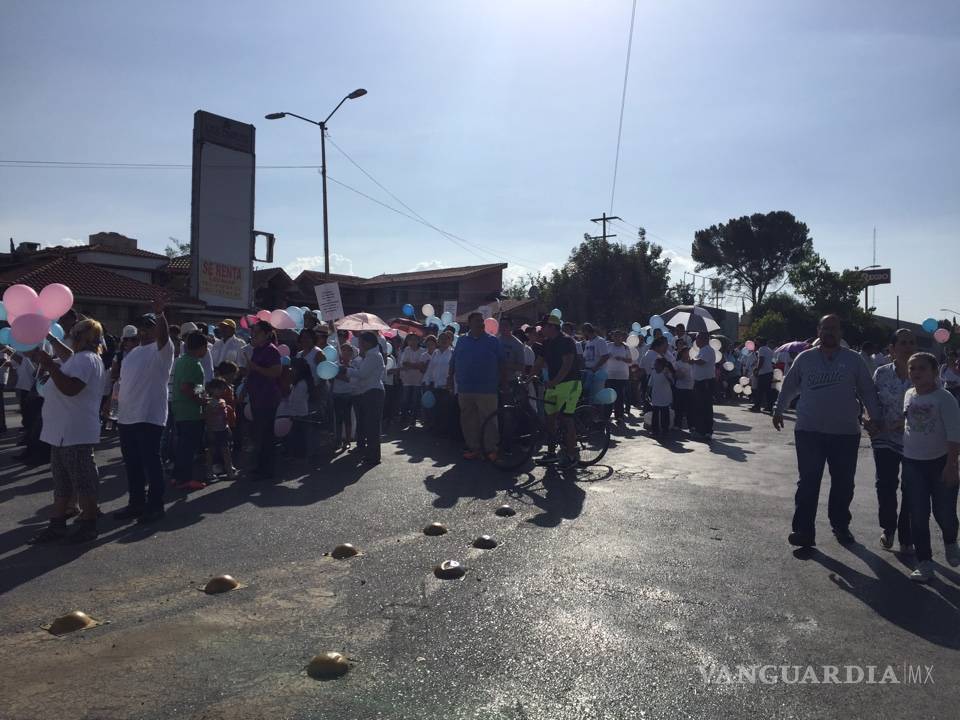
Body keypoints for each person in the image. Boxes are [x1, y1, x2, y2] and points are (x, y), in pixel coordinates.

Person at [773, 314, 881, 548]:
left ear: (841, 332)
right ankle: (803, 531)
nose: (829, 332)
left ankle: (840, 525)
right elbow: (790, 386)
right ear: (819, 331)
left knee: (843, 484)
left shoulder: (853, 360)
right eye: (825, 328)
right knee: (808, 482)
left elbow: (867, 391)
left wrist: (876, 417)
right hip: (809, 431)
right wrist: (778, 409)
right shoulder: (805, 358)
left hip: (845, 433)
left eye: (834, 328)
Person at [28, 319, 106, 544]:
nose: (70, 335)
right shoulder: (80, 358)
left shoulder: (86, 359)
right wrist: (50, 338)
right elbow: (68, 357)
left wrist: (50, 367)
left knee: (83, 481)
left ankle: (89, 524)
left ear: (82, 337)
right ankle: (57, 523)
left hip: (74, 432)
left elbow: (72, 388)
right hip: (63, 432)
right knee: (62, 482)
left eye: (74, 332)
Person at [901, 352, 960, 582]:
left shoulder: (944, 398)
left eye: (922, 368)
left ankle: (950, 541)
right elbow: (908, 423)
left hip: (940, 463)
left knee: (944, 513)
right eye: (912, 368)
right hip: (912, 462)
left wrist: (951, 465)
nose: (916, 372)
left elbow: (955, 433)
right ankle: (924, 562)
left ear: (935, 372)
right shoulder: (908, 395)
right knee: (917, 514)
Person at [115, 304, 175, 523]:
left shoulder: (163, 349)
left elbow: (164, 334)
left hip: (149, 416)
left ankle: (155, 506)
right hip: (127, 417)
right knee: (132, 464)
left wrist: (160, 314)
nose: (144, 331)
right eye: (142, 327)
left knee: (151, 463)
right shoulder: (132, 353)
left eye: (149, 327)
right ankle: (136, 504)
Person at [867, 329, 916, 553]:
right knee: (885, 485)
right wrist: (868, 420)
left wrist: (901, 423)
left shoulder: (924, 372)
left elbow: (932, 404)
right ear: (892, 349)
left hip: (914, 441)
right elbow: (872, 402)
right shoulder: (881, 373)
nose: (908, 347)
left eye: (911, 343)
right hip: (883, 439)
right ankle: (888, 528)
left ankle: (907, 534)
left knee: (911, 488)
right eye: (903, 343)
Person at [448, 312, 501, 461]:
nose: (481, 323)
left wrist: (502, 382)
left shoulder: (493, 341)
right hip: (465, 388)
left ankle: (491, 450)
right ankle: (474, 448)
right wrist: (449, 378)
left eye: (482, 321)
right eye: (478, 321)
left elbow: (501, 363)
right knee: (468, 420)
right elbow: (453, 361)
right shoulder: (462, 341)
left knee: (489, 420)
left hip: (487, 389)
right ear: (470, 324)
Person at [534, 315, 581, 469]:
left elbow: (567, 364)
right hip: (553, 385)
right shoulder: (546, 343)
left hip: (570, 384)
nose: (541, 329)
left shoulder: (566, 341)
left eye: (544, 326)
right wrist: (527, 379)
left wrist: (554, 381)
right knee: (550, 420)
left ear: (552, 327)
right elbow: (539, 362)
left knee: (566, 420)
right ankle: (551, 453)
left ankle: (572, 455)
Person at [171, 332, 208, 491]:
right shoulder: (194, 364)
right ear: (201, 348)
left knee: (181, 445)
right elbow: (187, 387)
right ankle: (184, 479)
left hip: (178, 408)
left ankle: (177, 476)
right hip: (190, 410)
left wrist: (201, 396)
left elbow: (196, 386)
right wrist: (202, 401)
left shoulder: (180, 361)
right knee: (188, 447)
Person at [246, 321, 283, 481]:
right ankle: (260, 466)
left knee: (266, 434)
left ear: (267, 334)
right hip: (256, 395)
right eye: (253, 331)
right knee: (259, 433)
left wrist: (256, 368)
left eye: (257, 332)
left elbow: (276, 372)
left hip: (267, 397)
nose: (254, 334)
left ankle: (268, 469)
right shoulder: (257, 349)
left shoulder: (271, 350)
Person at [341, 332, 385, 465]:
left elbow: (362, 374)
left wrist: (346, 370)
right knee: (369, 425)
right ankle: (370, 454)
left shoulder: (373, 356)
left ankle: (373, 456)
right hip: (368, 391)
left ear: (368, 342)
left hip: (373, 392)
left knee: (372, 426)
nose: (359, 344)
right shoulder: (369, 356)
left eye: (361, 342)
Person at [203, 377, 237, 479]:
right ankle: (209, 472)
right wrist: (209, 431)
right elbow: (208, 418)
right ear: (212, 389)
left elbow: (225, 417)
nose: (222, 391)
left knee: (226, 451)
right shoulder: (210, 403)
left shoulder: (222, 401)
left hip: (223, 429)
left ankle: (229, 471)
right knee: (210, 451)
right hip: (213, 430)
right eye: (220, 389)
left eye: (223, 389)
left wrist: (228, 427)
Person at [424, 331, 455, 435]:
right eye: (441, 339)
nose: (444, 341)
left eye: (446, 339)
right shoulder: (435, 353)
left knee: (446, 409)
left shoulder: (452, 353)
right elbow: (430, 368)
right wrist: (427, 381)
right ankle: (435, 428)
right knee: (435, 408)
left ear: (450, 340)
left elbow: (454, 369)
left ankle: (444, 430)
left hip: (447, 386)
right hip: (436, 385)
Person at [690, 333, 717, 439]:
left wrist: (693, 361)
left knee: (704, 407)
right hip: (700, 382)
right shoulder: (703, 350)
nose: (696, 341)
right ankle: (702, 430)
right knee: (700, 406)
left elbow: (701, 362)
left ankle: (704, 431)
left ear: (703, 339)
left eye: (697, 339)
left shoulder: (707, 350)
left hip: (705, 382)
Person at [332, 343, 357, 450]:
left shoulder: (354, 365)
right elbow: (331, 376)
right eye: (343, 350)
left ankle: (347, 440)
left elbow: (352, 379)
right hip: (336, 393)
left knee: (347, 417)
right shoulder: (335, 364)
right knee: (338, 418)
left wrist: (340, 375)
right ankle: (338, 440)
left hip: (348, 393)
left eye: (348, 351)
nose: (346, 353)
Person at [398, 333, 427, 426]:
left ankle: (413, 419)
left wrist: (412, 365)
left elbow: (422, 366)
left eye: (414, 340)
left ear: (418, 341)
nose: (412, 342)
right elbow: (404, 363)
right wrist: (416, 365)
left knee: (415, 400)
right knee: (405, 400)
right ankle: (404, 418)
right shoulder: (406, 350)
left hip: (418, 380)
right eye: (410, 340)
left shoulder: (423, 351)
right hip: (407, 379)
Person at [604, 329, 631, 424]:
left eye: (619, 336)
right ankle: (606, 415)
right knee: (610, 395)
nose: (617, 338)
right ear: (612, 337)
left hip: (622, 375)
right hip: (610, 374)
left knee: (619, 396)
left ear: (622, 338)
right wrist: (608, 356)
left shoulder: (625, 347)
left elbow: (630, 361)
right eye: (615, 336)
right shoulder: (608, 346)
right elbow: (603, 357)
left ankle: (619, 415)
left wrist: (622, 358)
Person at [649, 356, 674, 437]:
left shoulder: (666, 372)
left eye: (657, 365)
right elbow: (650, 384)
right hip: (655, 396)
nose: (655, 366)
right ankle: (654, 431)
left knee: (665, 414)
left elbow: (672, 382)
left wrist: (667, 375)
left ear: (661, 365)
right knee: (655, 415)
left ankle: (665, 430)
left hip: (665, 397)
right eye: (655, 364)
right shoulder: (653, 372)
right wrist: (647, 393)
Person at [751, 337, 776, 413]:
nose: (755, 343)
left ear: (759, 342)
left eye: (756, 342)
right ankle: (769, 407)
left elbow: (761, 360)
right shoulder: (769, 349)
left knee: (760, 390)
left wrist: (757, 369)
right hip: (769, 371)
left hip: (763, 372)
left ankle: (757, 406)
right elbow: (772, 361)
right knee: (768, 391)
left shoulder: (761, 349)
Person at [498, 317, 526, 382]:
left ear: (511, 327)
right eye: (501, 325)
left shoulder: (517, 344)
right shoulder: (495, 340)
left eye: (506, 325)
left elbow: (522, 366)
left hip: (510, 380)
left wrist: (507, 365)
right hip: (496, 379)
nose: (503, 327)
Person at [673, 346, 694, 430]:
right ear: (682, 354)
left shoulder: (693, 363)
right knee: (679, 408)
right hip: (680, 388)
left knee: (690, 408)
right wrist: (680, 374)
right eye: (686, 352)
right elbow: (676, 376)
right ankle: (677, 424)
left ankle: (691, 425)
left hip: (690, 388)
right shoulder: (677, 363)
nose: (688, 354)